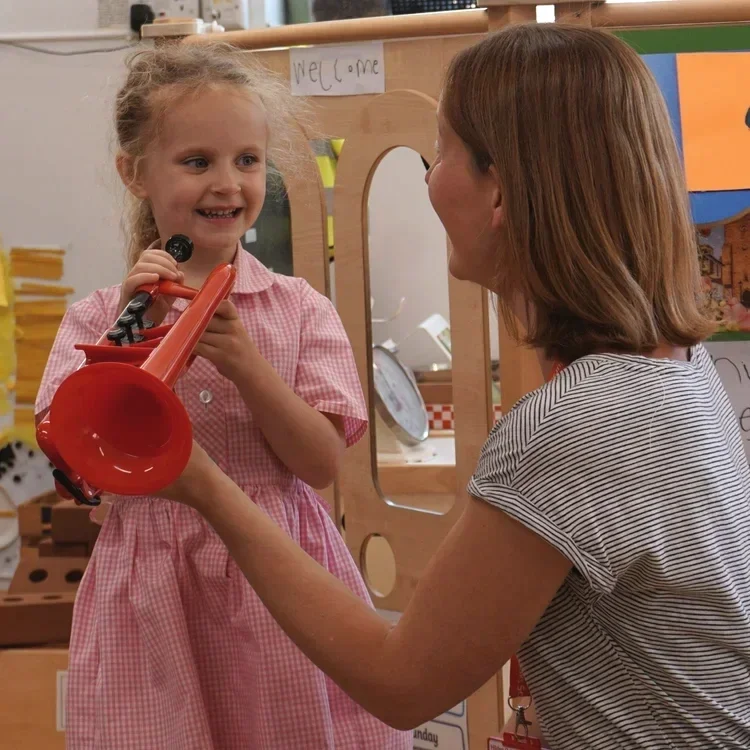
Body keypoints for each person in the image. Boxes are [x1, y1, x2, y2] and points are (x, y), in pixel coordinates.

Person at [158, 24, 750, 750]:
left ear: (497, 190)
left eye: (440, 152)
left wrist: (204, 484)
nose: (431, 177)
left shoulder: (576, 423)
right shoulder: (679, 367)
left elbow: (401, 682)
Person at [35, 43, 411, 750]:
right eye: (197, 161)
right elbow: (73, 467)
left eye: (247, 160)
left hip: (279, 573)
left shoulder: (300, 309)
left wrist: (248, 366)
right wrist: (128, 334)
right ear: (135, 173)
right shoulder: (95, 318)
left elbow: (321, 464)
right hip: (151, 582)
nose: (228, 184)